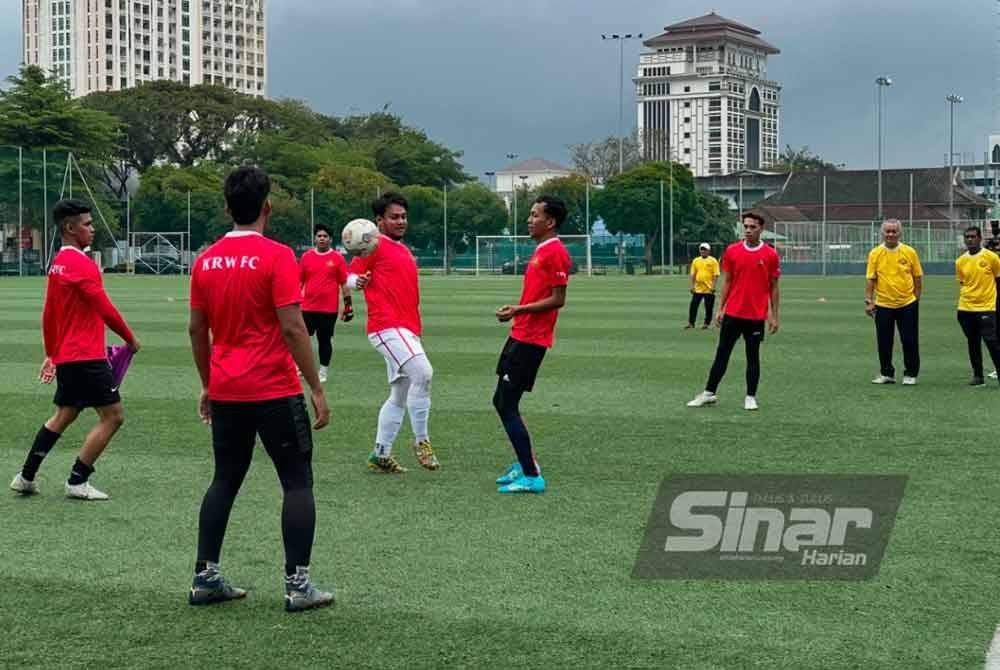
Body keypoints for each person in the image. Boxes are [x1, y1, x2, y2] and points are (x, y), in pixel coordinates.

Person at [187, 166, 334, 612]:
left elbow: (196, 329)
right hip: (273, 389)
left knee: (224, 480)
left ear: (227, 208)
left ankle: (205, 577)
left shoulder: (205, 260)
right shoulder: (278, 256)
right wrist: (316, 387)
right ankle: (298, 585)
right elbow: (293, 327)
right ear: (267, 207)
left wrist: (208, 384)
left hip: (227, 388)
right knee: (296, 482)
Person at [10, 199, 140, 501]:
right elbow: (105, 309)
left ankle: (26, 476)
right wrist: (130, 339)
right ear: (69, 228)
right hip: (86, 356)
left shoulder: (57, 264)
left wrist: (52, 353)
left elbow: (49, 314)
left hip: (69, 356)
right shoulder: (82, 265)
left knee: (65, 413)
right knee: (113, 416)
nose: (92, 229)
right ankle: (77, 480)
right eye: (87, 224)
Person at [348, 192, 438, 474]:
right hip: (387, 326)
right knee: (423, 373)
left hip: (407, 329)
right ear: (379, 221)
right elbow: (349, 276)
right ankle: (422, 441)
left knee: (400, 394)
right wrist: (357, 281)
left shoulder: (403, 249)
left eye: (403, 216)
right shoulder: (373, 245)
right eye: (394, 217)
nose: (400, 221)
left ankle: (380, 453)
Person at [493, 196, 572, 495]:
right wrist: (517, 314)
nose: (529, 219)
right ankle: (526, 463)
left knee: (506, 404)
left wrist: (518, 309)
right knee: (502, 401)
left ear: (549, 222)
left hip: (532, 340)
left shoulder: (556, 253)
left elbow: (558, 299)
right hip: (520, 334)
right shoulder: (541, 251)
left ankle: (531, 475)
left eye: (534, 214)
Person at [687, 212, 780, 411]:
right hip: (733, 314)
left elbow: (773, 286)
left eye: (752, 227)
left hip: (755, 316)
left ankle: (750, 397)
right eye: (745, 226)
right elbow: (728, 281)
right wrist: (721, 308)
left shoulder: (770, 254)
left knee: (752, 357)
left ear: (760, 229)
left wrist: (773, 315)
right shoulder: (732, 251)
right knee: (722, 354)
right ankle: (709, 393)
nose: (747, 230)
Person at [864, 219, 923, 385]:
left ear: (900, 233)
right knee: (884, 340)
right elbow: (871, 279)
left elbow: (917, 277)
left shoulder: (909, 252)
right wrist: (869, 301)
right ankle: (886, 373)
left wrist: (915, 300)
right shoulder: (875, 253)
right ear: (882, 233)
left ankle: (911, 374)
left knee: (909, 340)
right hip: (883, 304)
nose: (890, 234)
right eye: (887, 231)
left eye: (894, 231)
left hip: (907, 304)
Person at [299, 223, 353, 383]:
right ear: (315, 238)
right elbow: (299, 281)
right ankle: (301, 368)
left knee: (324, 340)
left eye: (325, 236)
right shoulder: (306, 257)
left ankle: (323, 372)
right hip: (307, 307)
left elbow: (344, 283)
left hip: (328, 309)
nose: (322, 239)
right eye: (319, 236)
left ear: (330, 239)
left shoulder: (337, 258)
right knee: (302, 339)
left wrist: (348, 305)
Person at [955, 226, 1000, 386]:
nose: (970, 239)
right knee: (972, 342)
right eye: (967, 237)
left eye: (973, 236)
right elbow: (963, 282)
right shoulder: (960, 261)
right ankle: (978, 376)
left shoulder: (991, 257)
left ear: (980, 238)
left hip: (986, 307)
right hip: (965, 308)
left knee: (992, 342)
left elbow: (998, 280)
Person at [687, 242, 720, 329]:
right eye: (701, 249)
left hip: (709, 289)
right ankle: (691, 323)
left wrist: (713, 286)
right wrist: (692, 286)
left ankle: (706, 323)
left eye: (705, 249)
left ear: (708, 251)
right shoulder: (696, 261)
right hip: (698, 289)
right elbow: (692, 274)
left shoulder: (713, 261)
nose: (703, 251)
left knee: (708, 307)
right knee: (693, 306)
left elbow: (716, 275)